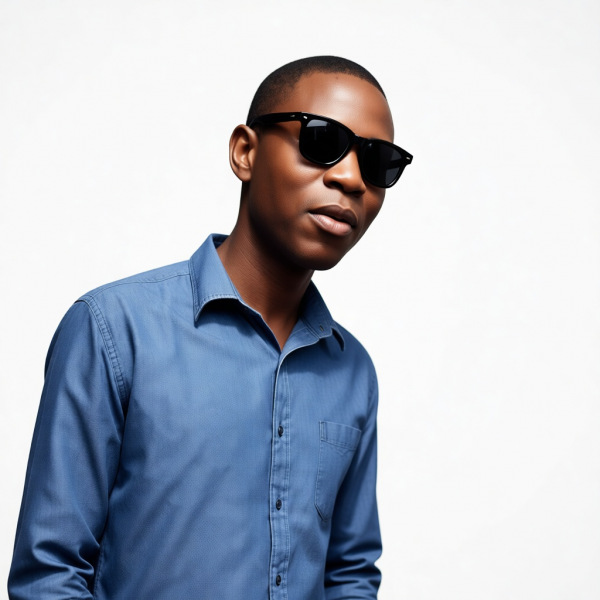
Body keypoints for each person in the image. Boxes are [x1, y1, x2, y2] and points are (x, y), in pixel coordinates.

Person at [8, 55, 413, 599]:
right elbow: (50, 574)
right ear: (245, 152)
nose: (350, 178)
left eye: (377, 162)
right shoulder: (114, 330)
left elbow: (350, 574)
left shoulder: (352, 370)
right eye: (322, 141)